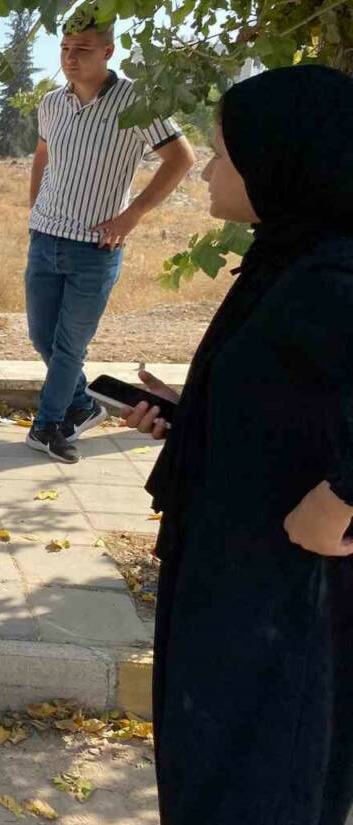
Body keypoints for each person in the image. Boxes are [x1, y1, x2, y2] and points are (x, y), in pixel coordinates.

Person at [118, 65, 353, 825]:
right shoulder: (287, 259)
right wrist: (194, 415)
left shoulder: (334, 273)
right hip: (233, 567)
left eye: (225, 153)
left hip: (281, 598)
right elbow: (295, 397)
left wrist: (348, 497)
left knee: (260, 776)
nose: (210, 170)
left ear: (281, 160)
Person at [24, 8, 195, 464]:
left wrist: (132, 215)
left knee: (68, 346)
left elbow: (181, 159)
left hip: (96, 248)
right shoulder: (51, 103)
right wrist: (34, 203)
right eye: (64, 48)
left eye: (82, 49)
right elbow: (43, 153)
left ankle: (48, 427)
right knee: (43, 338)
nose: (70, 57)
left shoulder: (137, 103)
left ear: (107, 51)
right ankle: (81, 404)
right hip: (44, 239)